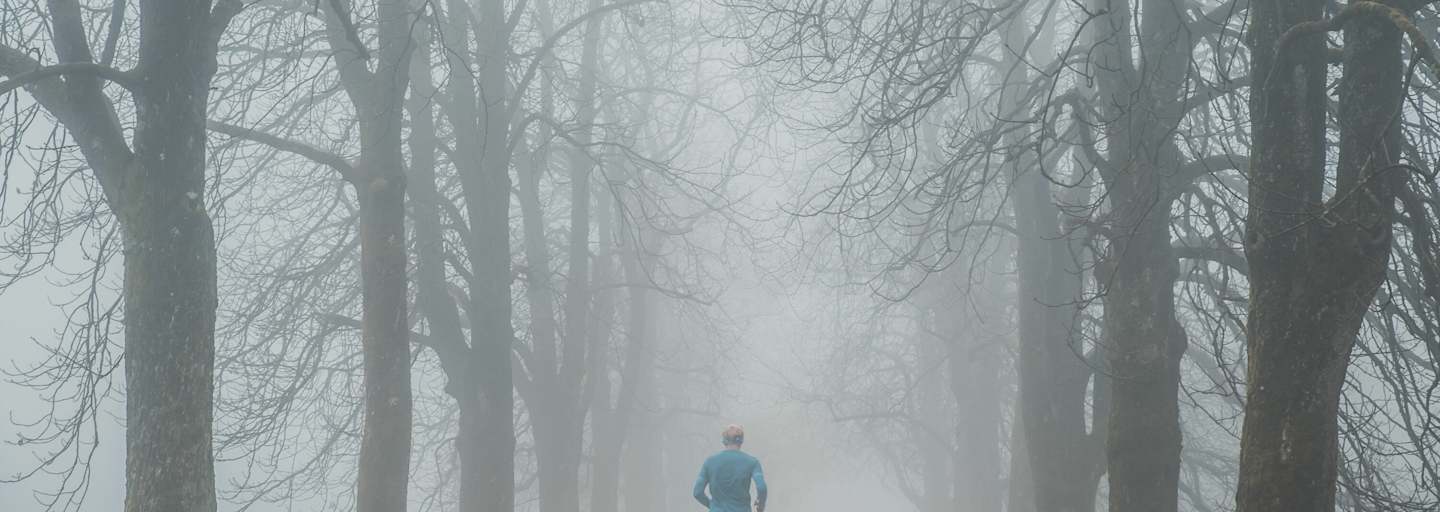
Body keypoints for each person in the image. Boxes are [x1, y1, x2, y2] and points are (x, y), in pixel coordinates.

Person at [694, 424, 768, 512]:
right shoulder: (752, 462)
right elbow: (762, 488)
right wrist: (760, 506)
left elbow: (697, 492)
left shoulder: (709, 462)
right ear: (741, 440)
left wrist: (712, 506)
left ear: (724, 440)